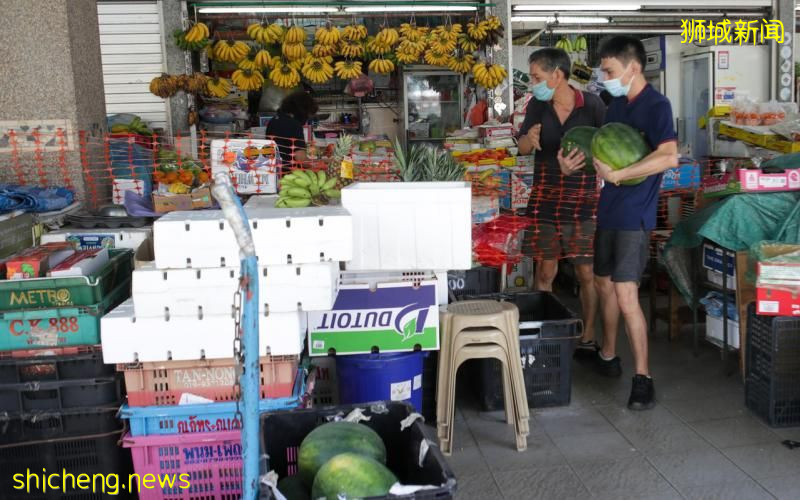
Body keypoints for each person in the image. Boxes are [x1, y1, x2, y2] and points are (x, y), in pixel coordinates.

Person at [590, 36, 679, 410]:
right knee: (603, 285)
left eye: (610, 71)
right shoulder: (615, 108)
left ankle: (643, 378)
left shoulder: (657, 106)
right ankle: (608, 355)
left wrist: (620, 172)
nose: (605, 78)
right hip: (609, 210)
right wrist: (592, 166)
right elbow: (603, 154)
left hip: (633, 216)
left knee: (627, 295)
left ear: (633, 67)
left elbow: (669, 157)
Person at [516, 48, 605, 359]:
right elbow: (523, 148)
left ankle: (589, 333)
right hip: (545, 199)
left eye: (537, 77)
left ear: (557, 75)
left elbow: (605, 149)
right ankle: (546, 334)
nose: (533, 83)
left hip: (582, 202)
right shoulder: (537, 105)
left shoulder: (592, 105)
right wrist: (530, 136)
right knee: (545, 272)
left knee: (585, 273)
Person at [265, 90, 318, 169]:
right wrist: (323, 163)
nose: (306, 120)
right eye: (308, 115)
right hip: (289, 173)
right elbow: (301, 160)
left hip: (274, 171)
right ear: (302, 111)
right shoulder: (294, 125)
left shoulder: (274, 120)